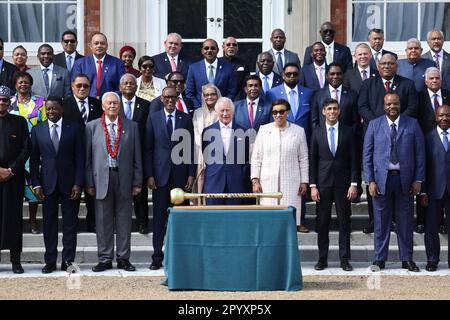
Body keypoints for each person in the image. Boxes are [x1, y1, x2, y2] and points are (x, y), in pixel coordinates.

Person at [363, 93, 425, 272]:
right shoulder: (374, 125)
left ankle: (407, 259)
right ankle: (379, 259)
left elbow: (420, 154)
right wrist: (370, 181)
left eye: (395, 103)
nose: (392, 107)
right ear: (384, 106)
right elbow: (367, 155)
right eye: (389, 104)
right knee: (381, 222)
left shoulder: (412, 124)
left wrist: (418, 179)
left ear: (400, 104)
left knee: (405, 221)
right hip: (382, 180)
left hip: (405, 181)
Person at [358, 53, 419, 234]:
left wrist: (396, 122)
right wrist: (381, 124)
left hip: (401, 135)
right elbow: (362, 107)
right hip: (376, 135)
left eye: (390, 63)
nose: (387, 66)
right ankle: (373, 220)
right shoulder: (369, 84)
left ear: (396, 66)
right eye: (383, 63)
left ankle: (396, 221)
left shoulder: (407, 84)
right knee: (375, 179)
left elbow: (412, 107)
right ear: (378, 66)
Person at [85, 92, 142, 272]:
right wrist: (89, 183)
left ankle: (124, 258)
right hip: (101, 179)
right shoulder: (92, 127)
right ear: (102, 106)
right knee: (103, 221)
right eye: (109, 103)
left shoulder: (132, 127)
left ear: (120, 106)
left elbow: (137, 157)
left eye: (115, 103)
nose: (112, 106)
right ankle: (105, 258)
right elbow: (87, 159)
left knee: (124, 220)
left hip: (124, 177)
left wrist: (138, 181)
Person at [30, 96, 84, 273]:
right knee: (49, 224)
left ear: (61, 109)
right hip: (47, 184)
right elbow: (34, 160)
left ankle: (68, 261)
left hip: (70, 185)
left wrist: (78, 183)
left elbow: (80, 158)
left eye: (54, 108)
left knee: (70, 224)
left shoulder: (74, 128)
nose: (51, 111)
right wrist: (36, 184)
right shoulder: (38, 129)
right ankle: (50, 261)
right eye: (48, 109)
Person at [145, 86, 195, 270]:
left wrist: (191, 173)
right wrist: (149, 174)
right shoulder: (153, 118)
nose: (170, 100)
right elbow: (148, 149)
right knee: (159, 219)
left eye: (173, 97)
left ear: (177, 98)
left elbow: (190, 148)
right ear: (161, 98)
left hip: (180, 177)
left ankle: (180, 257)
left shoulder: (185, 118)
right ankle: (157, 256)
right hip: (159, 177)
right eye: (166, 97)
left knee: (180, 218)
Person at [309, 98, 359, 271]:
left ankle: (344, 259)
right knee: (322, 222)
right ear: (323, 111)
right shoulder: (316, 132)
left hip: (343, 184)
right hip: (322, 184)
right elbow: (313, 160)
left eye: (335, 109)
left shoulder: (348, 131)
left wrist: (354, 183)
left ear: (339, 111)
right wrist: (313, 185)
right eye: (329, 109)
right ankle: (322, 259)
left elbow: (354, 160)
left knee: (344, 222)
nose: (332, 112)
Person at [251, 99, 309, 229]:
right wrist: (255, 180)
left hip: (291, 182)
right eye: (275, 112)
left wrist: (304, 181)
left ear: (287, 113)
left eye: (281, 112)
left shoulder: (298, 131)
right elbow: (256, 157)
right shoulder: (264, 130)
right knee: (268, 220)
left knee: (289, 219)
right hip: (267, 182)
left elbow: (303, 158)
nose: (278, 115)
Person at [63, 74, 102, 232]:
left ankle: (92, 222)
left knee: (93, 192)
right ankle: (72, 224)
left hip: (94, 155)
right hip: (71, 156)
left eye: (85, 86)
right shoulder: (64, 104)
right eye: (78, 85)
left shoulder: (97, 104)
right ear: (72, 86)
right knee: (73, 191)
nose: (82, 88)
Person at [9, 71, 46, 234]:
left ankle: (32, 221)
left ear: (31, 84)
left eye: (26, 82)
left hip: (33, 150)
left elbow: (44, 125)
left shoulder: (40, 103)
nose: (23, 84)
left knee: (32, 189)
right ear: (15, 85)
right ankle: (13, 223)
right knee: (13, 189)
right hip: (13, 151)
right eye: (20, 82)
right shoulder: (8, 103)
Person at [0, 86, 30, 274]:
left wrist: (11, 170)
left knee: (14, 219)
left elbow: (26, 149)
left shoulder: (19, 122)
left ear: (9, 101)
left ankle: (15, 260)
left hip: (13, 178)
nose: (1, 102)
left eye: (4, 99)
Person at [416, 67, 449, 235]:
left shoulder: (448, 95)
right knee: (427, 192)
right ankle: (421, 221)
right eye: (432, 79)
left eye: (437, 78)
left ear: (441, 80)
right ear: (426, 81)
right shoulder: (419, 97)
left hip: (446, 140)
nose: (435, 81)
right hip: (426, 141)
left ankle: (443, 223)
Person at [202, 97, 250, 204]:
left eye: (227, 110)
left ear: (232, 111)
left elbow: (245, 157)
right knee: (214, 219)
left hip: (235, 183)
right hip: (214, 183)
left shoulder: (243, 131)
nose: (225, 113)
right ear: (217, 112)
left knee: (234, 218)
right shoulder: (207, 132)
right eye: (222, 110)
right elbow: (206, 156)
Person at [119, 73, 150, 234]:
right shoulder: (113, 104)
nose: (129, 85)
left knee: (140, 192)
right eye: (125, 83)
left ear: (136, 87)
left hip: (140, 154)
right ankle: (119, 225)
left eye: (131, 83)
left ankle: (143, 223)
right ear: (120, 87)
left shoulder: (146, 105)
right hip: (118, 154)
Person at [422, 104, 450, 271]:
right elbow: (422, 166)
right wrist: (423, 190)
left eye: (447, 115)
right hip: (432, 191)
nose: (444, 118)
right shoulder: (427, 138)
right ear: (435, 117)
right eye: (441, 115)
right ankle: (432, 260)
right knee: (431, 228)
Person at [72, 32, 125, 99]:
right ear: (91, 46)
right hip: (87, 102)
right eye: (96, 43)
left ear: (107, 46)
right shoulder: (80, 64)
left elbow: (122, 86)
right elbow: (75, 86)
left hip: (109, 103)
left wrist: (111, 97)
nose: (99, 46)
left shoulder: (118, 64)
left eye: (102, 43)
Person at [311, 63, 360, 134]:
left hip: (346, 139)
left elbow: (356, 121)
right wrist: (319, 137)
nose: (335, 76)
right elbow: (314, 121)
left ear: (343, 75)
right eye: (332, 74)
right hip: (324, 139)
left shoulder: (352, 95)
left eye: (338, 74)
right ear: (327, 76)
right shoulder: (318, 95)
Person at [186, 39, 237, 107]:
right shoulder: (193, 68)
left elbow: (232, 92)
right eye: (206, 48)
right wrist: (201, 108)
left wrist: (222, 106)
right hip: (200, 111)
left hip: (222, 111)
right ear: (202, 51)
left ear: (218, 50)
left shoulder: (229, 67)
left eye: (213, 48)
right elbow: (189, 93)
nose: (209, 51)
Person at [192, 84, 221, 193]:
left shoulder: (221, 111)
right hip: (199, 152)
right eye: (206, 95)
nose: (209, 97)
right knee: (200, 180)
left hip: (218, 153)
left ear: (217, 96)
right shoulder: (197, 112)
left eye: (212, 94)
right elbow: (196, 132)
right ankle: (199, 206)